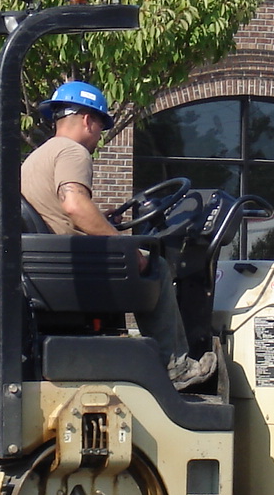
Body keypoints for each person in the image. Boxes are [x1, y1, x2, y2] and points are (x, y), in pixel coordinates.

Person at [21, 80, 216, 391]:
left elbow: (58, 211)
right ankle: (176, 366)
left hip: (48, 264)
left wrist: (103, 218)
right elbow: (73, 205)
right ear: (88, 120)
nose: (99, 137)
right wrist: (122, 245)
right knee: (156, 266)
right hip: (69, 267)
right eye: (100, 127)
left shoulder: (38, 156)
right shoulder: (73, 152)